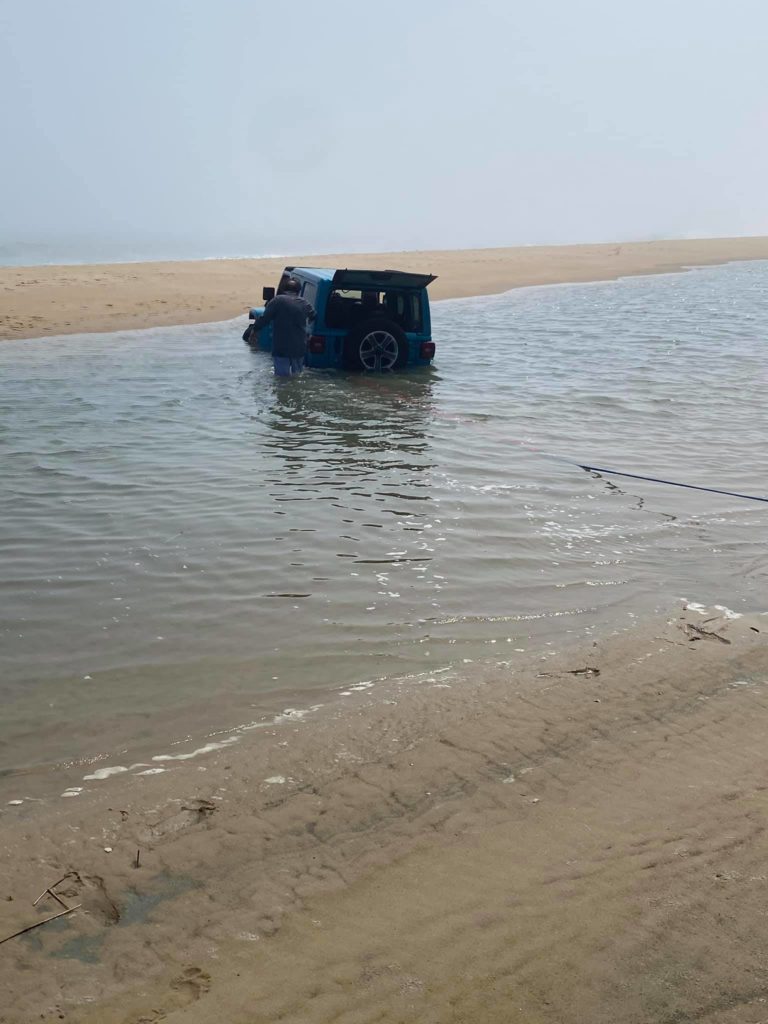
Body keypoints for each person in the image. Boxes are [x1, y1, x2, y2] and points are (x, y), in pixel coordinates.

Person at [253, 277, 315, 377]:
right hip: (299, 348)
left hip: (281, 347)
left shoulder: (277, 300)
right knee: (297, 375)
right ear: (298, 291)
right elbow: (313, 316)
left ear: (283, 289)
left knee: (281, 378)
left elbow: (264, 319)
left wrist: (254, 331)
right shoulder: (304, 303)